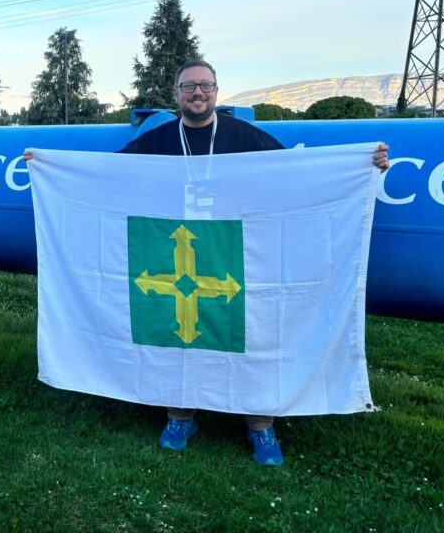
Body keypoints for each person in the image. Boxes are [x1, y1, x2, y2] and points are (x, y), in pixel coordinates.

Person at [25, 58, 389, 466]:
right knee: (177, 336)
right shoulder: (157, 141)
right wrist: (47, 169)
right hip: (170, 253)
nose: (198, 93)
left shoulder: (246, 137)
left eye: (205, 85)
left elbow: (297, 177)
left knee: (252, 335)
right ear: (176, 94)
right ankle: (180, 416)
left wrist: (363, 166)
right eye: (188, 86)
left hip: (236, 253)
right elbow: (108, 176)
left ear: (217, 91)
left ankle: (261, 424)